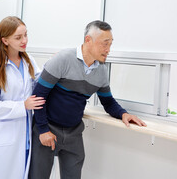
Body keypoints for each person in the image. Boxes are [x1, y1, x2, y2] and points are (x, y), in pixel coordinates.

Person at [28, 20, 147, 179]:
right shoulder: (63, 59)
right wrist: (43, 130)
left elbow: (108, 102)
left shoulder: (102, 71)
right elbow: (38, 96)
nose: (108, 50)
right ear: (88, 41)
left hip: (74, 132)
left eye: (110, 44)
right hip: (48, 128)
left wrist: (123, 114)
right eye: (105, 44)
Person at [0, 16, 45, 179]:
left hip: (25, 135)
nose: (25, 40)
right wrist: (23, 106)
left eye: (26, 35)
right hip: (3, 137)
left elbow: (38, 83)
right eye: (18, 37)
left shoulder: (29, 62)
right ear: (5, 40)